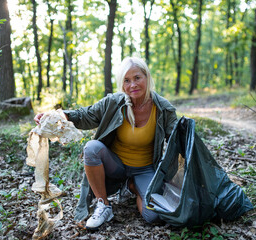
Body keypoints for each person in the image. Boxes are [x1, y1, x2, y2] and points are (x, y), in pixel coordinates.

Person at [34, 57, 178, 230]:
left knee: (153, 216)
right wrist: (57, 115)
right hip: (115, 165)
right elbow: (86, 115)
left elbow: (176, 140)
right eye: (127, 80)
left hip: (145, 168)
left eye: (137, 78)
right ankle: (104, 205)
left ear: (147, 77)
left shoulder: (163, 108)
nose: (133, 84)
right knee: (92, 148)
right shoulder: (114, 102)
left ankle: (132, 186)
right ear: (122, 84)